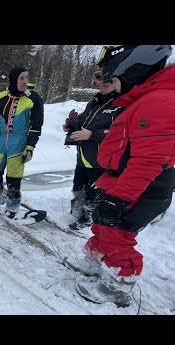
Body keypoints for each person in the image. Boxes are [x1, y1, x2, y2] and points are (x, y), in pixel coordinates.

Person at [64, 45, 175, 307]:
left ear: (134, 70)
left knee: (117, 233)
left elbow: (147, 162)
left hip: (144, 186)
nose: (113, 87)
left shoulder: (159, 101)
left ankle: (118, 284)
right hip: (122, 178)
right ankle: (95, 262)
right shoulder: (146, 98)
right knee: (102, 224)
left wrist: (118, 199)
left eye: (113, 81)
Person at [63, 70, 123, 230]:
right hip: (83, 156)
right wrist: (71, 124)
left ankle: (87, 218)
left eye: (107, 85)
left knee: (93, 193)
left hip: (100, 161)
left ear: (115, 85)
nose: (102, 88)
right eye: (101, 84)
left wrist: (91, 134)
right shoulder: (94, 102)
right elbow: (83, 120)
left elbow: (118, 134)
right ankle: (75, 213)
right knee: (77, 188)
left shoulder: (120, 106)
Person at [0, 66, 44, 216]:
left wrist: (30, 147)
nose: (25, 81)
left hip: (18, 145)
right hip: (0, 143)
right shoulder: (1, 97)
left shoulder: (33, 99)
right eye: (21, 78)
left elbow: (36, 126)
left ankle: (12, 209)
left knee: (13, 181)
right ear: (13, 80)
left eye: (26, 78)